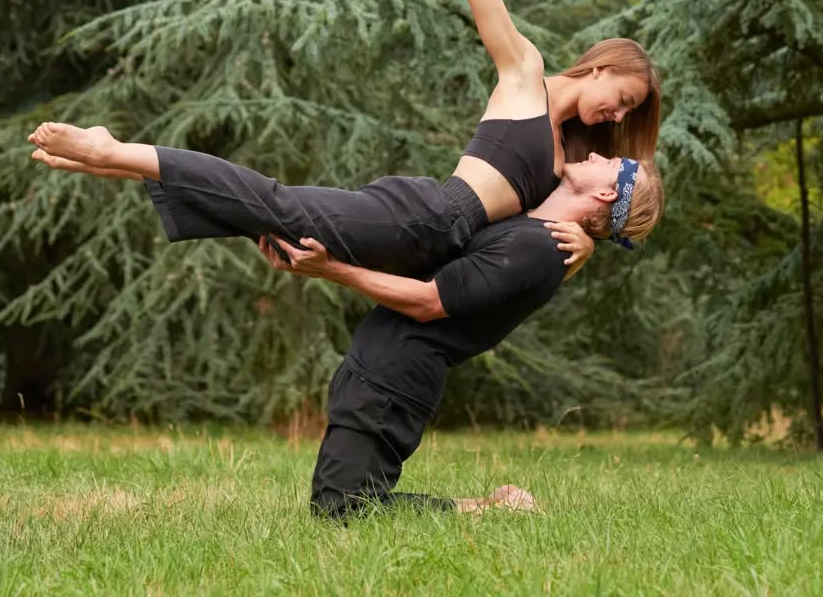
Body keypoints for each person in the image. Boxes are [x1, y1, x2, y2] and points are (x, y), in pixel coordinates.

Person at [27, 0, 662, 272]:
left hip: (434, 245)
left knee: (277, 214)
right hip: (427, 218)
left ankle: (112, 160)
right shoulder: (524, 70)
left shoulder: (567, 166)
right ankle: (113, 151)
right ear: (601, 66)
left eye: (629, 112)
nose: (618, 114)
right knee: (274, 201)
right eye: (623, 96)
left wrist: (582, 250)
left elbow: (538, 245)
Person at [254, 154, 661, 519]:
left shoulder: (537, 248)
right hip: (382, 366)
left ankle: (492, 510)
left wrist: (329, 269)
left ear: (608, 193)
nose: (593, 153)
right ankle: (487, 508)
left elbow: (428, 302)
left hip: (391, 379)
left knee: (340, 510)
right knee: (340, 503)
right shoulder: (528, 227)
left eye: (609, 161)